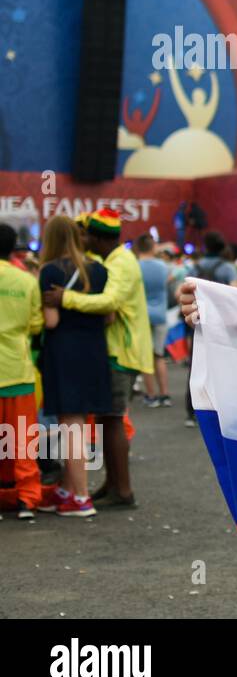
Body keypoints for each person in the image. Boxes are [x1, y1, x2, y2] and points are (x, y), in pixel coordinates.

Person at [43, 209, 153, 510]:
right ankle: (113, 484)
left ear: (97, 237)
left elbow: (110, 303)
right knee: (106, 419)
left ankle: (123, 490)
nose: (82, 239)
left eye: (86, 234)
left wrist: (66, 298)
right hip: (114, 348)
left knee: (114, 419)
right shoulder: (112, 261)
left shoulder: (121, 263)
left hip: (121, 349)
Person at [35, 216, 111, 516]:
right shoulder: (99, 270)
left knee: (70, 425)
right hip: (94, 350)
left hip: (64, 352)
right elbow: (109, 315)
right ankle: (67, 489)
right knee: (78, 420)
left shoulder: (50, 271)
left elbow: (51, 320)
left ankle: (80, 497)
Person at [0, 224, 42, 520]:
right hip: (19, 370)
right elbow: (37, 324)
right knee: (22, 441)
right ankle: (27, 499)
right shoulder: (26, 280)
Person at [135, 234, 172, 408]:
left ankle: (151, 395)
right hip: (161, 315)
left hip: (141, 316)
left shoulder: (135, 267)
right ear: (152, 247)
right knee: (159, 355)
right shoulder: (163, 266)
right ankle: (165, 394)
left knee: (145, 357)